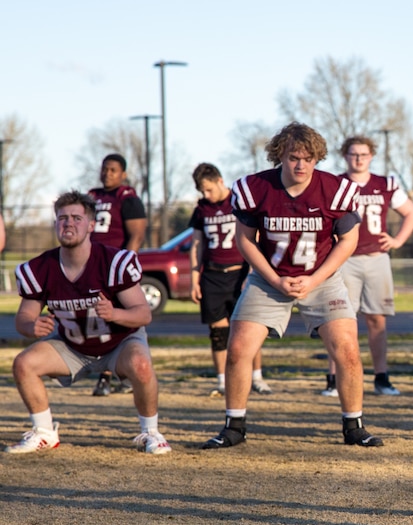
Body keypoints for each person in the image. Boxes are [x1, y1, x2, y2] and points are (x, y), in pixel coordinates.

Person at [200, 121, 383, 449]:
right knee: (239, 348)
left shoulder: (335, 190)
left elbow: (348, 240)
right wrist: (273, 278)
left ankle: (353, 425)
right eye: (294, 157)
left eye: (309, 158)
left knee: (348, 349)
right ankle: (234, 424)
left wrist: (314, 278)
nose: (301, 165)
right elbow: (245, 240)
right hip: (269, 278)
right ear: (279, 156)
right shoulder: (255, 188)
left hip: (321, 277)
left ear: (318, 158)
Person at [7, 190, 170, 455]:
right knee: (24, 363)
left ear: (91, 225)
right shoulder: (40, 267)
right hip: (72, 346)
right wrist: (31, 327)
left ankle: (151, 432)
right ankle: (44, 432)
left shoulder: (113, 261)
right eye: (62, 218)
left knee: (141, 364)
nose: (68, 223)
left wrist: (115, 313)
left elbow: (143, 314)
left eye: (76, 218)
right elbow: (24, 318)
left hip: (119, 343)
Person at [319, 136, 413, 399]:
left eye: (363, 154)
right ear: (345, 156)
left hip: (376, 257)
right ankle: (333, 379)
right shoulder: (336, 184)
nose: (359, 159)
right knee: (339, 319)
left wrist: (397, 240)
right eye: (353, 154)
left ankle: (381, 377)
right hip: (344, 259)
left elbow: (411, 213)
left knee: (377, 319)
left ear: (372, 156)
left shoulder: (385, 184)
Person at [188, 163, 271, 398]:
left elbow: (254, 237)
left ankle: (257, 377)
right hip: (212, 275)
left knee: (248, 328)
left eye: (208, 190)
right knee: (218, 333)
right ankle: (223, 381)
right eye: (202, 192)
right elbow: (197, 244)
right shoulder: (202, 209)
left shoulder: (238, 201)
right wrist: (194, 278)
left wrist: (254, 271)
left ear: (220, 181)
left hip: (240, 273)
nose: (206, 195)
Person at [88, 153, 148, 397]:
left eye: (113, 170)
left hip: (115, 267)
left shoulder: (128, 198)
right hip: (91, 265)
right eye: (104, 169)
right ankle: (109, 372)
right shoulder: (92, 196)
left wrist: (123, 265)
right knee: (98, 321)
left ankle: (112, 375)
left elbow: (136, 235)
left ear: (123, 174)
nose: (107, 174)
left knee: (121, 319)